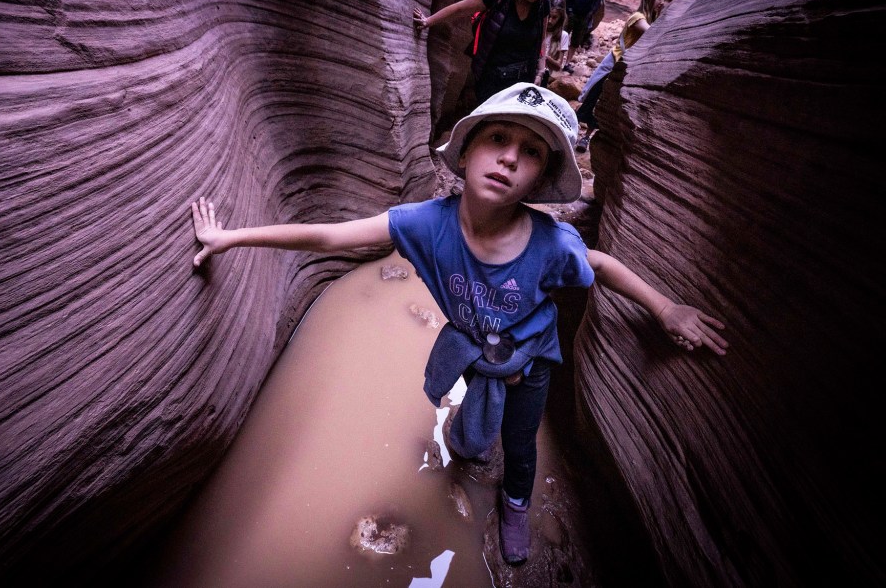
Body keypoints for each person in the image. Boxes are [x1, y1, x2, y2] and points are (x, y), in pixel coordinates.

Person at [189, 83, 729, 566]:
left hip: (531, 361)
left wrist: (664, 308)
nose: (509, 157)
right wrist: (231, 238)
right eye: (497, 138)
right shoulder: (426, 224)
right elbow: (331, 236)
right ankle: (475, 439)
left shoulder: (551, 245)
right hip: (472, 348)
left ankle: (515, 504)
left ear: (540, 177)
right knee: (477, 408)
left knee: (521, 443)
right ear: (467, 151)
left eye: (531, 152)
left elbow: (601, 265)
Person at [412, 0, 559, 103]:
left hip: (523, 80)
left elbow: (541, 40)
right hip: (492, 80)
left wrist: (540, 71)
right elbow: (461, 8)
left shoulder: (542, 2)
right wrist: (428, 21)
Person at [575, 0, 671, 152]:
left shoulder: (652, 20)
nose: (663, 2)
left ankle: (587, 136)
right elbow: (652, 33)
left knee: (607, 101)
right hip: (614, 64)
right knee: (594, 96)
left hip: (628, 69)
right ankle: (573, 129)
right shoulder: (638, 17)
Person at [541, 0, 571, 82]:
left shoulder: (563, 36)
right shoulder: (539, 30)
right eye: (548, 16)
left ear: (560, 18)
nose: (550, 21)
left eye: (554, 17)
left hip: (546, 74)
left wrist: (544, 57)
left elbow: (558, 66)